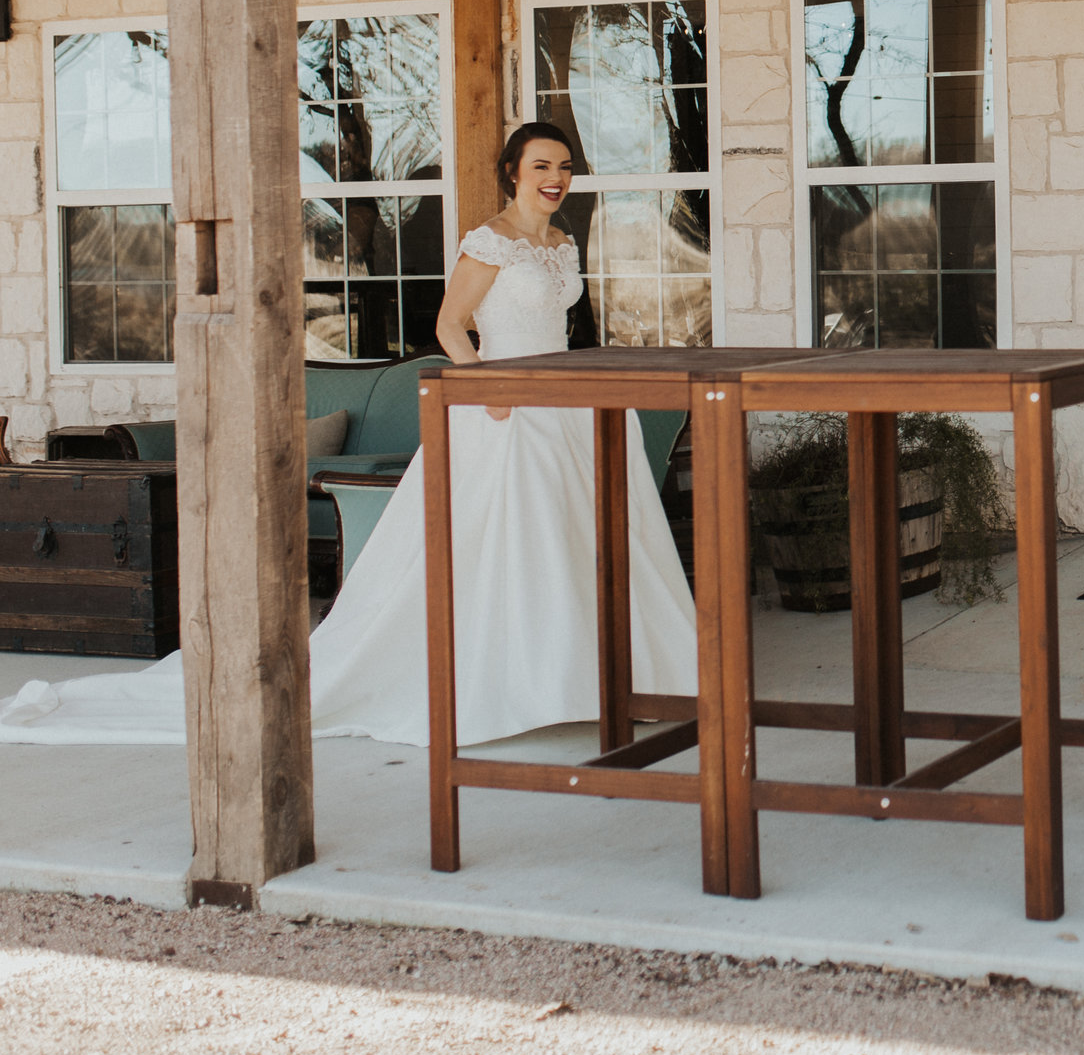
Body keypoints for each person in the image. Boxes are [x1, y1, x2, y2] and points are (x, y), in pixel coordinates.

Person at [1, 123, 698, 748]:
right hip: (503, 406)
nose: (556, 178)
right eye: (542, 165)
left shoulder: (562, 241)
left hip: (568, 403)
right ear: (513, 171)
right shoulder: (490, 240)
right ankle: (516, 684)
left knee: (588, 539)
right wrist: (488, 387)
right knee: (516, 544)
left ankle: (592, 679)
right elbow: (451, 325)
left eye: (566, 167)